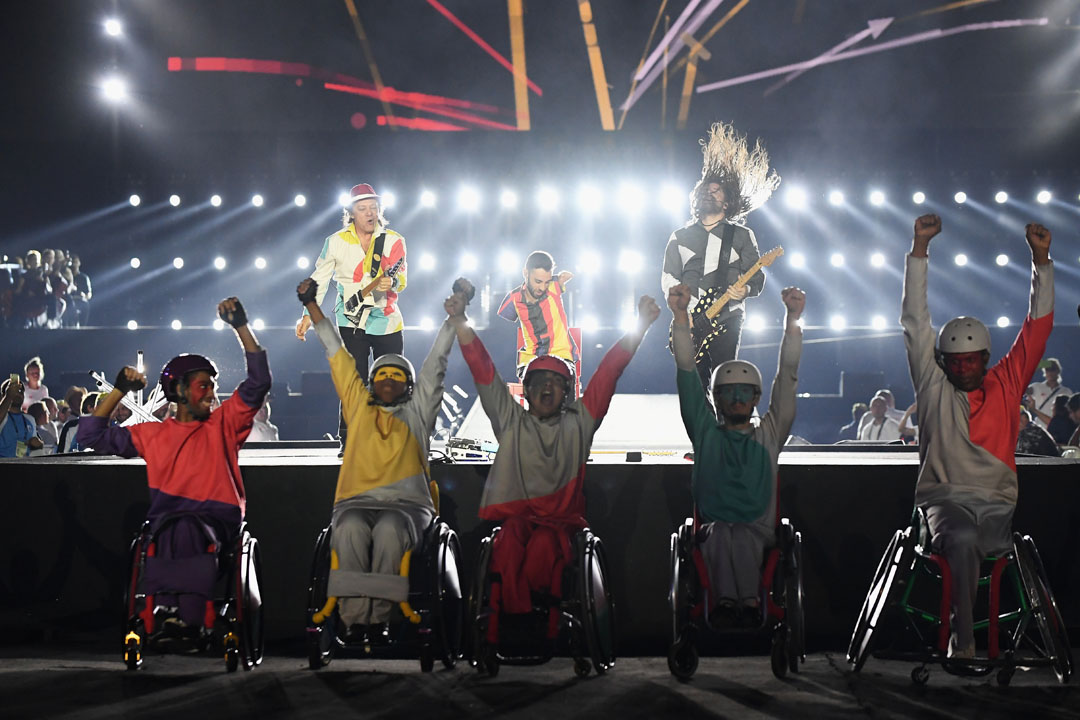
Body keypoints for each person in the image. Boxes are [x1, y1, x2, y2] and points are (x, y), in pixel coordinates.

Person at [451, 287, 660, 643]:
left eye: (555, 383)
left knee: (545, 546)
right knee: (507, 543)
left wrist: (639, 326)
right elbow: (483, 370)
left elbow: (608, 373)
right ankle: (511, 619)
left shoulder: (579, 423)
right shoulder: (511, 421)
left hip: (559, 526)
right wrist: (459, 322)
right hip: (518, 519)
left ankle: (540, 616)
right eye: (539, 382)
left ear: (567, 392)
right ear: (526, 390)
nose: (547, 388)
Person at [77, 297, 271, 649]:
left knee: (185, 529)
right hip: (168, 521)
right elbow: (90, 436)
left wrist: (241, 326)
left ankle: (186, 618)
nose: (212, 393)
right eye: (203, 386)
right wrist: (119, 389)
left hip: (217, 519)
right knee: (169, 530)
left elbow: (258, 382)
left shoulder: (224, 424)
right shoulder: (153, 434)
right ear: (179, 392)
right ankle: (171, 612)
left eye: (212, 386)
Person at [901, 214, 1053, 659]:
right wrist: (920, 250)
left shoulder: (1006, 384)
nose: (963, 367)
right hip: (944, 502)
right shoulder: (932, 385)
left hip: (996, 503)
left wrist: (1041, 260)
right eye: (955, 361)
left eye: (972, 361)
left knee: (977, 538)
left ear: (986, 358)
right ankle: (962, 640)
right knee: (963, 539)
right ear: (943, 360)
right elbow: (915, 321)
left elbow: (1036, 329)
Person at [297, 276, 459, 642]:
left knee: (388, 531)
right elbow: (338, 355)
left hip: (407, 506)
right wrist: (312, 306)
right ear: (371, 382)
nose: (388, 381)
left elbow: (435, 367)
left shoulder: (418, 413)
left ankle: (381, 619)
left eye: (396, 376)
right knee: (351, 529)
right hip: (355, 500)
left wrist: (453, 320)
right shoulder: (358, 406)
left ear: (408, 386)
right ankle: (355, 621)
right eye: (381, 375)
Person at [668, 282, 804, 626]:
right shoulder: (705, 432)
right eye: (729, 393)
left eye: (745, 392)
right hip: (713, 529)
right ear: (716, 398)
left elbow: (787, 378)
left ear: (756, 398)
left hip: (757, 531)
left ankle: (743, 604)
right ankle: (728, 603)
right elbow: (686, 374)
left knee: (739, 534)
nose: (738, 399)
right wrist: (680, 316)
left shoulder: (769, 436)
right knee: (722, 535)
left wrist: (792, 321)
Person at [661, 121, 780, 389]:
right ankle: (706, 429)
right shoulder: (680, 236)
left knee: (724, 378)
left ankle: (727, 426)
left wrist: (746, 289)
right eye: (705, 191)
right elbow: (668, 277)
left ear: (726, 204)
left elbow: (758, 277)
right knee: (695, 385)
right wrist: (684, 311)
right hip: (690, 318)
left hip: (729, 315)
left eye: (716, 192)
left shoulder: (741, 235)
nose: (709, 194)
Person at [295, 183, 407, 453]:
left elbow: (402, 279)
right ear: (351, 212)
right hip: (350, 320)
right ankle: (350, 440)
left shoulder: (393, 240)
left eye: (373, 207)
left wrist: (390, 283)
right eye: (362, 208)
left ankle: (391, 439)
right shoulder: (335, 242)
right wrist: (307, 315)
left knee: (391, 381)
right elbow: (318, 280)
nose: (369, 213)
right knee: (353, 382)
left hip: (387, 319)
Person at [497, 251, 578, 379]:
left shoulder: (554, 286)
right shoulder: (513, 299)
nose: (542, 287)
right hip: (531, 358)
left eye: (546, 282)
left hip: (561, 356)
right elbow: (501, 329)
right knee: (535, 384)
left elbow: (569, 275)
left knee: (561, 383)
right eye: (538, 281)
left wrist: (566, 275)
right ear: (525, 273)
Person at [0, 377, 43, 457]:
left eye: (20, 391)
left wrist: (39, 444)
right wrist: (9, 396)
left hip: (23, 465)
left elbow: (37, 444)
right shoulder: (3, 416)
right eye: (14, 391)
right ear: (3, 396)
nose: (17, 394)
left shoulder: (30, 419)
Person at [1024, 358, 1070, 430]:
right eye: (1047, 370)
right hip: (1039, 428)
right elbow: (1023, 390)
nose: (1050, 373)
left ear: (1058, 371)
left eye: (1053, 370)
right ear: (1044, 372)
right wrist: (1031, 368)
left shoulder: (1066, 392)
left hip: (1058, 430)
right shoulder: (1036, 387)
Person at [67, 254, 92, 327]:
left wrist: (85, 296)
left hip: (80, 300)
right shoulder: (67, 276)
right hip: (70, 299)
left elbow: (89, 293)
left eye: (76, 262)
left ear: (79, 263)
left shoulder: (84, 277)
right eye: (73, 262)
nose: (74, 264)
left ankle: (83, 326)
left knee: (85, 305)